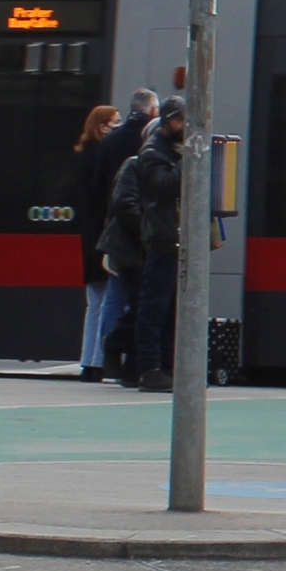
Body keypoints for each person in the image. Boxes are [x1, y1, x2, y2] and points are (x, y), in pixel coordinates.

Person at [94, 89, 158, 384]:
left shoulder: (109, 145)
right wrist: (149, 230)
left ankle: (131, 363)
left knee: (133, 303)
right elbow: (125, 205)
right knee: (140, 304)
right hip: (133, 245)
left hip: (128, 245)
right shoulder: (136, 163)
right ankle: (115, 348)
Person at [129, 97, 187, 392]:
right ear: (168, 120)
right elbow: (162, 188)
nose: (185, 127)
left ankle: (164, 364)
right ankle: (150, 367)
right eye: (181, 120)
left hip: (173, 237)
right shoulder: (153, 152)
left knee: (168, 308)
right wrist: (188, 161)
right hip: (163, 238)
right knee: (155, 306)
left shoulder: (168, 150)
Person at [73, 104, 119, 381]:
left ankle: (88, 361)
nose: (118, 125)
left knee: (94, 302)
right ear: (102, 126)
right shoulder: (103, 155)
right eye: (115, 121)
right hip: (103, 234)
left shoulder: (83, 154)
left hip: (89, 234)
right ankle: (99, 360)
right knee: (106, 300)